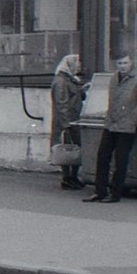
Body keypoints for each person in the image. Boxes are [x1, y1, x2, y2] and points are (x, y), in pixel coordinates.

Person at [83, 52, 137, 204]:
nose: (122, 66)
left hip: (127, 126)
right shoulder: (113, 79)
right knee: (102, 157)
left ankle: (115, 193)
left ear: (131, 64)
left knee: (120, 160)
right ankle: (99, 191)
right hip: (111, 124)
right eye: (120, 64)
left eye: (125, 63)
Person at [50, 54, 87, 190]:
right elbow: (61, 104)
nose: (78, 67)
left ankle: (72, 177)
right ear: (69, 65)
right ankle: (67, 178)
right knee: (67, 150)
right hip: (67, 121)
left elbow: (74, 97)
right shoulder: (61, 81)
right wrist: (66, 125)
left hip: (73, 120)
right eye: (76, 64)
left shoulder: (69, 79)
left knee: (74, 149)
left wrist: (82, 89)